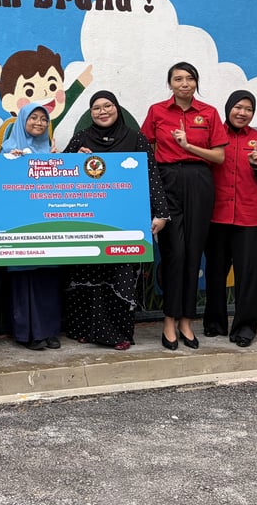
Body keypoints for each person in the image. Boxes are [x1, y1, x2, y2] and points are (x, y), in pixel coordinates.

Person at [63, 91, 170, 350]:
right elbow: (61, 171)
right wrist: (75, 158)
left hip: (124, 225)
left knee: (119, 275)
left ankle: (118, 334)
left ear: (117, 108)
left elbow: (151, 176)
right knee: (89, 275)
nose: (103, 111)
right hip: (88, 222)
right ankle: (85, 329)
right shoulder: (81, 138)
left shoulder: (135, 139)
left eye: (108, 105)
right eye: (96, 107)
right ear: (90, 113)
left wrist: (161, 213)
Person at [141, 62, 227, 351]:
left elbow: (218, 157)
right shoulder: (157, 111)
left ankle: (187, 320)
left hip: (200, 181)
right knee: (173, 253)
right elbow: (144, 149)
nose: (184, 83)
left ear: (196, 82)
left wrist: (189, 146)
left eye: (190, 78)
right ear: (170, 84)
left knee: (193, 254)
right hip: (167, 181)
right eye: (178, 79)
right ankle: (168, 319)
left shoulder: (209, 113)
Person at [203, 90, 257, 347]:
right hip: (217, 217)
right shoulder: (214, 136)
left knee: (248, 275)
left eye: (248, 109)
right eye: (238, 107)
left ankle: (245, 327)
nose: (242, 113)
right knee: (215, 272)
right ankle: (214, 322)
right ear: (228, 108)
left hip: (251, 218)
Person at [1, 102, 62, 350]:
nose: (39, 122)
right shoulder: (9, 150)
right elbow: (5, 187)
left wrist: (59, 163)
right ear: (22, 121)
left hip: (47, 227)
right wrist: (11, 164)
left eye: (43, 119)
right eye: (33, 118)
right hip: (21, 229)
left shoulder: (51, 150)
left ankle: (49, 330)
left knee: (47, 280)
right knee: (25, 283)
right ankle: (28, 333)